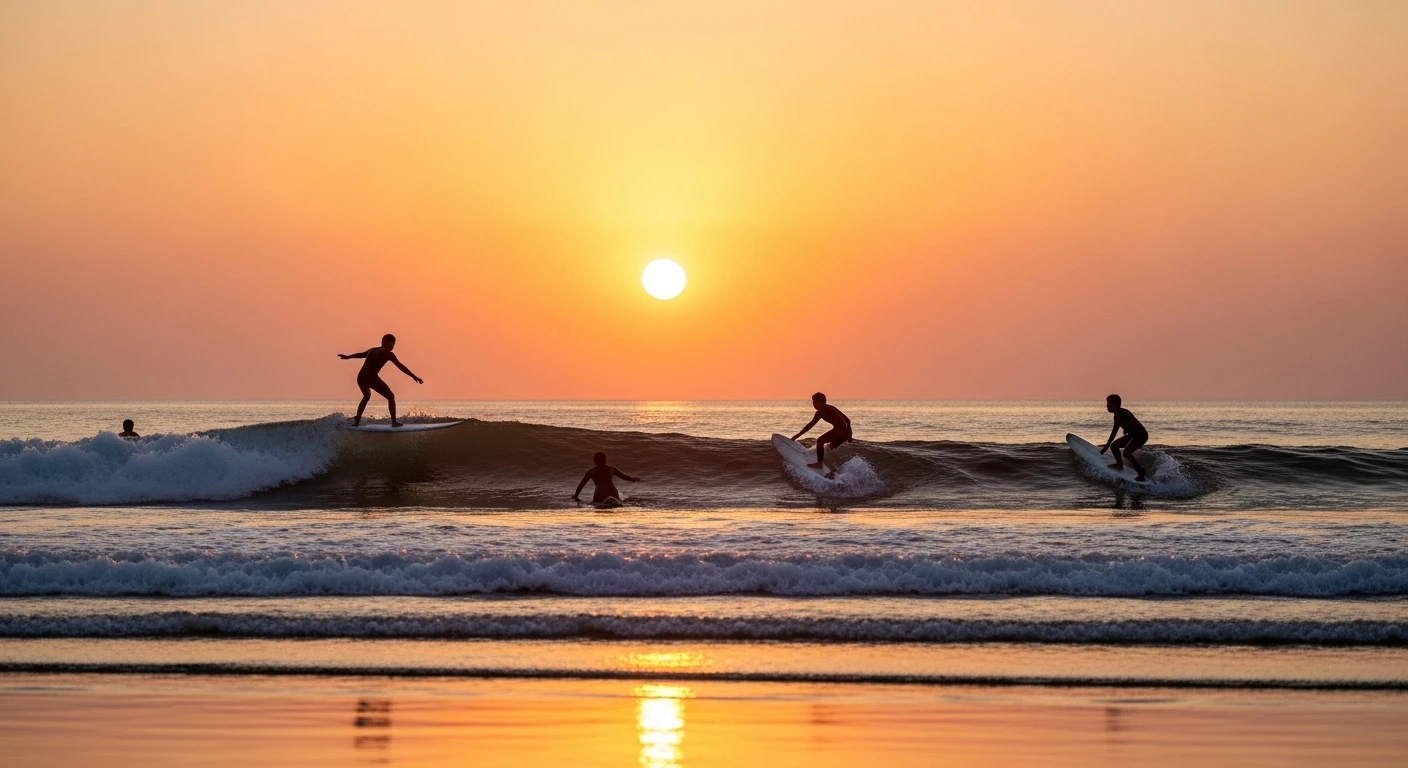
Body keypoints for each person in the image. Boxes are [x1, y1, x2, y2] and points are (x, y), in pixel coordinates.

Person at [338, 334, 423, 427]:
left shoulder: (372, 350)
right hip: (371, 378)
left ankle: (357, 421)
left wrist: (348, 357)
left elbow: (361, 355)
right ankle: (394, 422)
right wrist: (414, 376)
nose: (393, 346)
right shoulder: (388, 354)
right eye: (393, 344)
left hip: (361, 377)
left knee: (366, 396)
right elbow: (401, 366)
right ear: (386, 342)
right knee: (390, 396)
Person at [791, 392, 852, 473]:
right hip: (843, 432)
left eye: (815, 402)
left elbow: (810, 426)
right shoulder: (825, 410)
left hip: (840, 431)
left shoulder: (824, 411)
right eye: (813, 402)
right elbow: (847, 420)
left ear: (822, 402)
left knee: (820, 440)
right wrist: (849, 434)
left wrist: (797, 436)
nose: (813, 404)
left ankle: (819, 464)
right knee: (831, 447)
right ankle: (834, 470)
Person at [1099, 393, 1148, 481]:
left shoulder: (1124, 412)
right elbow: (1114, 432)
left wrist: (1130, 431)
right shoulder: (1116, 416)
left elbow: (1135, 423)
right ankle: (1119, 465)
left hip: (1140, 435)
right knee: (1114, 446)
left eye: (1108, 404)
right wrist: (1107, 446)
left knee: (1126, 453)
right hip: (1132, 435)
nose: (1107, 406)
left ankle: (1141, 474)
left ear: (1115, 405)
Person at [573, 452, 640, 504]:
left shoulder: (591, 472)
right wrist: (633, 479)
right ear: (605, 460)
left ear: (595, 461)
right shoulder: (610, 469)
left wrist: (576, 496)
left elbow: (581, 485)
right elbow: (624, 477)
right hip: (612, 492)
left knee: (598, 507)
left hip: (599, 494)